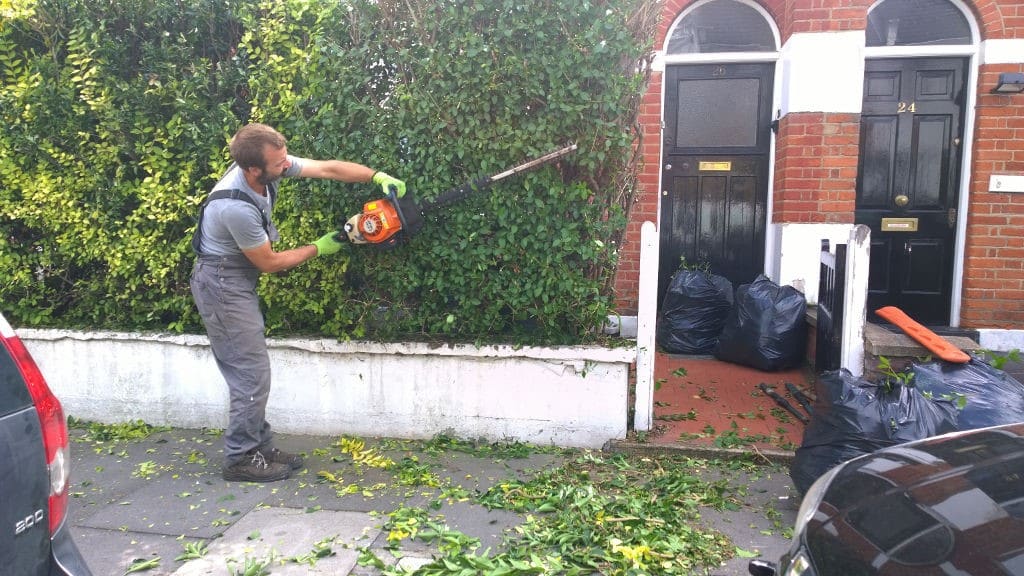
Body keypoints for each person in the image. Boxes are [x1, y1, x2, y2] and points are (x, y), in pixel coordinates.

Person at [190, 123, 405, 482]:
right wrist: (320, 247)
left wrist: (377, 176)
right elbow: (269, 263)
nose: (285, 165)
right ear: (253, 169)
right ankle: (240, 458)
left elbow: (329, 168)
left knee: (253, 370)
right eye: (277, 163)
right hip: (222, 283)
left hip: (234, 277)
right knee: (250, 374)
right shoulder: (234, 207)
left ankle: (259, 446)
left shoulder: (271, 165)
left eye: (284, 157)